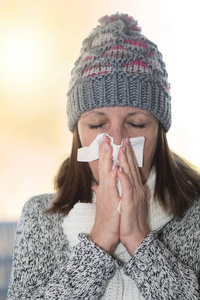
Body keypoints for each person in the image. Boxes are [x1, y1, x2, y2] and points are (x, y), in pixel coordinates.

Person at [7, 13, 200, 299]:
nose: (118, 142)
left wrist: (138, 239)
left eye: (136, 124)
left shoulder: (194, 216)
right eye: (98, 125)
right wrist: (99, 242)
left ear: (160, 132)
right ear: (78, 134)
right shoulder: (41, 218)